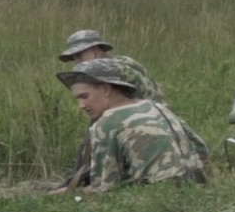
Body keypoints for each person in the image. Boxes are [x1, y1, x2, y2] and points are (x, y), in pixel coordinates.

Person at [58, 59, 208, 191]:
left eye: (85, 97)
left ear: (105, 89)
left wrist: (67, 194)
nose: (81, 105)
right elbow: (201, 149)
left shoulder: (107, 122)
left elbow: (104, 187)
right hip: (196, 183)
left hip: (158, 192)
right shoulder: (156, 106)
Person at [55, 29, 163, 191]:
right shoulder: (125, 62)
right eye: (74, 59)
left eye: (79, 56)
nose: (76, 63)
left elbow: (110, 116)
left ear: (95, 51)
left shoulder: (112, 72)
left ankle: (83, 185)